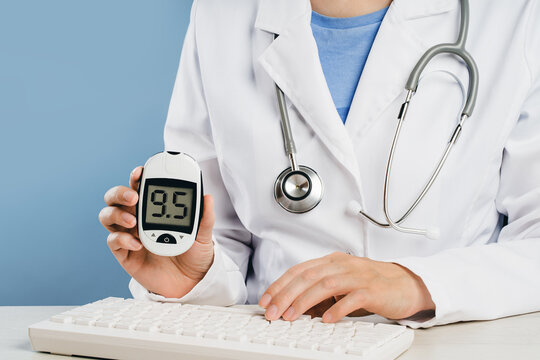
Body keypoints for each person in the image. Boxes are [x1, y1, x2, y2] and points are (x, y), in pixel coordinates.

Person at [99, 0, 540, 328]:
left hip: (451, 344)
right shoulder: (221, 13)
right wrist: (193, 278)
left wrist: (418, 284)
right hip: (275, 340)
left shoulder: (514, 15)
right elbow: (222, 233)